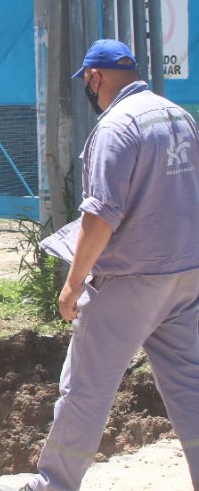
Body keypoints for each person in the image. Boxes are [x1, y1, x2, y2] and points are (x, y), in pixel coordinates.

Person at [19, 39, 199, 490]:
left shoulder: (117, 126)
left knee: (85, 390)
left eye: (88, 84)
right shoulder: (179, 116)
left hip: (130, 281)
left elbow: (101, 215)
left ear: (95, 77)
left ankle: (54, 485)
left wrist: (73, 282)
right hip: (186, 276)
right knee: (191, 388)